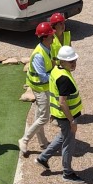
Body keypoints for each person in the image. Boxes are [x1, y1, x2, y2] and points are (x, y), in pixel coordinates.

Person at [35, 45, 84, 182]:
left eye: (74, 60)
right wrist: (72, 120)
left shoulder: (56, 70)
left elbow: (54, 93)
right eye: (71, 61)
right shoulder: (64, 78)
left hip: (60, 114)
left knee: (63, 136)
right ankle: (67, 172)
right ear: (62, 61)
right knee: (69, 142)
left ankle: (43, 158)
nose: (74, 64)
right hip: (66, 116)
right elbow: (63, 102)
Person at [18, 22, 55, 157]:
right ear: (44, 37)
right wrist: (57, 74)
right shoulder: (39, 55)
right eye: (51, 36)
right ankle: (24, 139)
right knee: (44, 117)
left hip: (42, 87)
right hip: (40, 87)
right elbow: (44, 77)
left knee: (39, 115)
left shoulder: (47, 48)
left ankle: (43, 142)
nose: (53, 38)